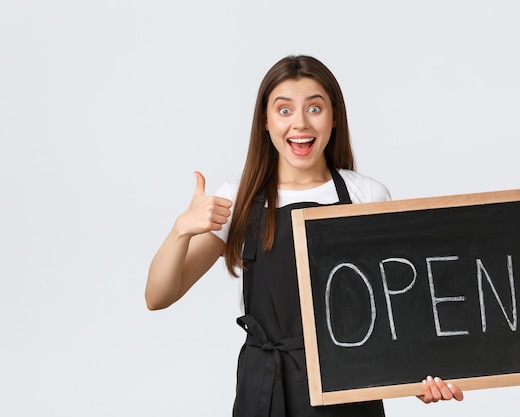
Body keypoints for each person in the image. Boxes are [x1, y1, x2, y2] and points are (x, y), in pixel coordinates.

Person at [145, 55, 464, 416]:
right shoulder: (239, 198)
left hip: (347, 393)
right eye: (284, 110)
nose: (300, 123)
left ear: (334, 117)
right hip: (264, 392)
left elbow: (398, 313)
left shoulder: (367, 196)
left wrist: (418, 379)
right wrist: (181, 230)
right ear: (265, 121)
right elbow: (158, 296)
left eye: (315, 108)